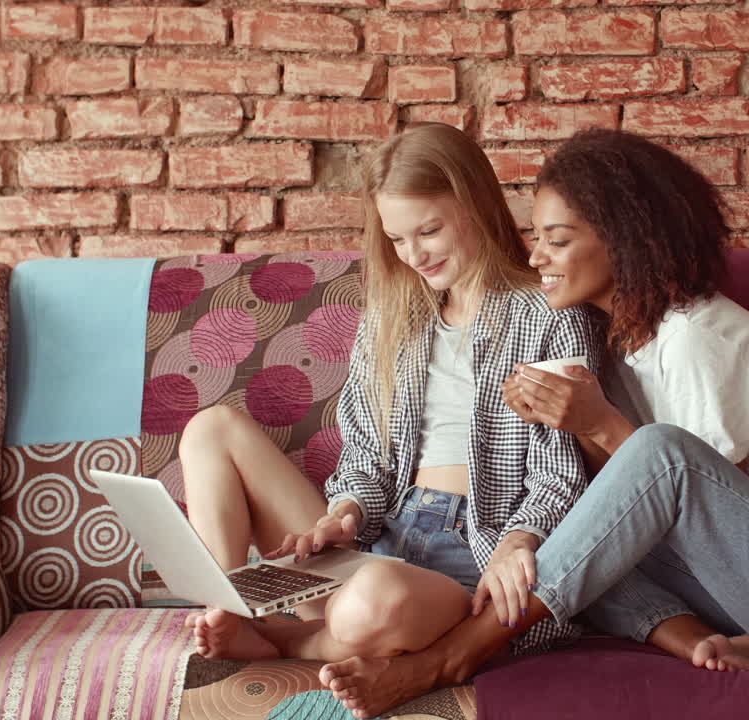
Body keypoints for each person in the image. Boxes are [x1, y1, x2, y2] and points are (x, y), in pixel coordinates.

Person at [316, 128, 749, 718]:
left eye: (557, 240)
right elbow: (623, 508)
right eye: (536, 237)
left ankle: (450, 658)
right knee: (584, 528)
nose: (535, 256)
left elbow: (701, 489)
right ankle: (705, 638)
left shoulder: (697, 335)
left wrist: (599, 423)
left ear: (622, 243)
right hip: (742, 593)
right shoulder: (615, 342)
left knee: (655, 455)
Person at [180, 122, 601, 662]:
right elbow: (365, 460)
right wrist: (345, 514)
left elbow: (562, 472)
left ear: (473, 204)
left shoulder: (546, 315)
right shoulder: (390, 318)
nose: (415, 255)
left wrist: (522, 540)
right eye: (398, 239)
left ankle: (287, 640)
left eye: (428, 231)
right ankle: (230, 612)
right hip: (383, 542)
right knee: (211, 428)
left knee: (370, 605)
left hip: (474, 559)